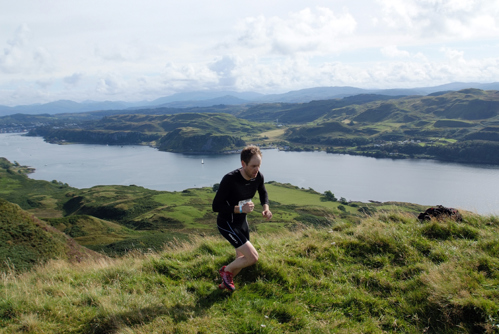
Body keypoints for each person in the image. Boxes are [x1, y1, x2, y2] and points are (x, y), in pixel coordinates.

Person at [212, 145, 272, 291]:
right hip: (227, 223)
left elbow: (262, 192)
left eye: (258, 166)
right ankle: (225, 271)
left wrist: (266, 208)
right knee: (252, 257)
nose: (256, 170)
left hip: (241, 222)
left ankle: (223, 286)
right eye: (253, 166)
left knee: (241, 258)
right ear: (243, 163)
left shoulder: (258, 176)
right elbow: (216, 206)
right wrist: (239, 209)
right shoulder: (230, 179)